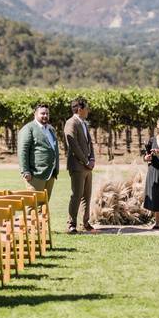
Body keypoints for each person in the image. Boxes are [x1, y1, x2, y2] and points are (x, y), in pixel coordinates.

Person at [17, 103, 60, 209]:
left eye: (47, 113)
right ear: (35, 114)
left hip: (50, 173)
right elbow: (23, 151)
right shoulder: (28, 129)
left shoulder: (51, 129)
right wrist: (25, 171)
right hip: (35, 174)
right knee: (32, 205)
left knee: (44, 205)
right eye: (42, 113)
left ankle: (42, 226)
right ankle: (29, 226)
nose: (45, 116)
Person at [64, 96, 95, 233]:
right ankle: (72, 224)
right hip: (77, 165)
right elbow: (74, 146)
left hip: (88, 166)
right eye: (86, 107)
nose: (88, 110)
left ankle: (85, 222)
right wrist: (86, 161)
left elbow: (89, 143)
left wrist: (92, 158)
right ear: (80, 109)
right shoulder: (71, 123)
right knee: (76, 195)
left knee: (87, 196)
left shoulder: (83, 123)